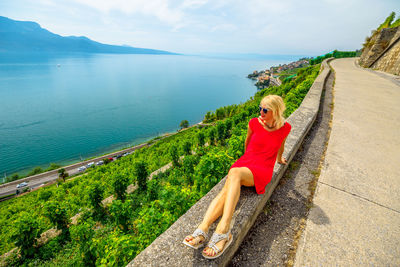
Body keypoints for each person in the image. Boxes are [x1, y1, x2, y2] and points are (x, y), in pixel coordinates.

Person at [182, 95, 292, 259]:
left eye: (265, 110)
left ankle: (224, 230)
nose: (260, 112)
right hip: (247, 161)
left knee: (234, 174)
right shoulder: (254, 123)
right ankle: (204, 228)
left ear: (275, 111)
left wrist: (279, 159)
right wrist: (246, 160)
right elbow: (247, 143)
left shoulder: (285, 128)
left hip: (263, 168)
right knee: (228, 187)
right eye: (260, 108)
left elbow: (281, 145)